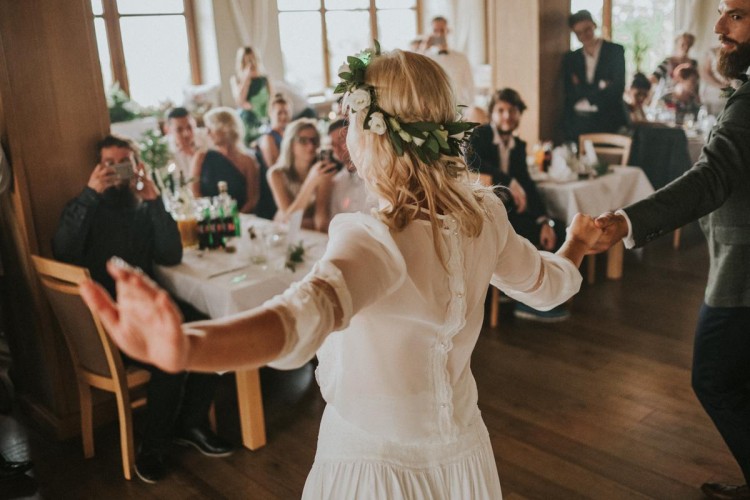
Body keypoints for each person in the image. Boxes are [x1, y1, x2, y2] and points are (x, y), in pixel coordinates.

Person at [80, 46, 602, 499]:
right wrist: (576, 243)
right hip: (462, 458)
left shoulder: (376, 237)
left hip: (375, 470)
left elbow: (299, 319)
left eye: (350, 117)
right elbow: (548, 287)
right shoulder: (485, 215)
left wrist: (189, 348)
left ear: (374, 136)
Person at [592, 2, 750, 498]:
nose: (719, 26)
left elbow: (711, 177)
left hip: (743, 272)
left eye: (736, 15)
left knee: (713, 378)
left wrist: (628, 220)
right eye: (721, 12)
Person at [52, 135, 233, 483]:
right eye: (110, 163)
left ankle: (191, 424)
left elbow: (170, 255)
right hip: (113, 319)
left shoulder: (142, 205)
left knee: (208, 330)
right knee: (167, 358)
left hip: (151, 305)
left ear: (136, 166)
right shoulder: (85, 207)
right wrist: (90, 193)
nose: (118, 170)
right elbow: (63, 251)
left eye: (125, 162)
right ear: (98, 168)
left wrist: (154, 201)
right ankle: (153, 447)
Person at [469, 88, 569, 322]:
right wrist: (509, 181)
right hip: (487, 215)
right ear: (492, 114)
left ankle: (536, 296)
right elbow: (471, 162)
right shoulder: (480, 135)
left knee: (557, 227)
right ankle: (526, 299)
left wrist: (544, 220)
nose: (507, 116)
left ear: (519, 114)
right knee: (526, 232)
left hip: (512, 212)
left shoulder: (519, 145)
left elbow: (528, 185)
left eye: (512, 111)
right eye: (501, 110)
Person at [562, 10, 627, 141]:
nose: (584, 35)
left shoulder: (615, 51)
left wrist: (586, 94)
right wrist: (600, 86)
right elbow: (571, 92)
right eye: (578, 33)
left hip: (610, 119)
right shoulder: (571, 59)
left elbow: (617, 87)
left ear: (594, 25)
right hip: (580, 123)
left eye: (587, 30)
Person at [266, 118, 335, 231]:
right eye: (303, 141)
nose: (310, 146)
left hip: (309, 232)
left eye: (314, 140)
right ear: (291, 144)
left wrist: (292, 221)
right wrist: (311, 182)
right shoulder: (276, 174)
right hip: (284, 233)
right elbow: (289, 218)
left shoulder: (322, 172)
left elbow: (320, 221)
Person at [191, 107, 260, 213]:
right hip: (208, 217)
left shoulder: (248, 161)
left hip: (241, 217)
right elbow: (194, 192)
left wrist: (235, 218)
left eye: (210, 128)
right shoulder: (201, 157)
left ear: (225, 129)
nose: (207, 133)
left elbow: (252, 200)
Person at [324, 119, 376, 230]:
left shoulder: (375, 174)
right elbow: (335, 220)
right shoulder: (337, 181)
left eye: (341, 141)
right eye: (333, 145)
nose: (337, 148)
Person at [420, 16, 476, 109]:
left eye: (442, 30)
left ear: (448, 31)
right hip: (434, 107)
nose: (439, 34)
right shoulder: (426, 58)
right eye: (435, 31)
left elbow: (470, 86)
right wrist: (424, 46)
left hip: (458, 107)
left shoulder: (461, 58)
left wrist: (470, 108)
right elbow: (415, 75)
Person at [229, 46, 272, 146]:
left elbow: (272, 99)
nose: (251, 64)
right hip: (247, 117)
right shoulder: (236, 79)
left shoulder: (265, 79)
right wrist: (246, 79)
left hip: (264, 116)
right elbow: (240, 101)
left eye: (252, 60)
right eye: (247, 61)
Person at [165, 107, 210, 185]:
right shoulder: (163, 150)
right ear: (168, 130)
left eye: (189, 127)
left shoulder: (208, 137)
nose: (186, 134)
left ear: (195, 124)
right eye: (179, 130)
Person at [650, 32, 700, 100]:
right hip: (668, 98)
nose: (686, 47)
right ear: (677, 44)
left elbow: (695, 84)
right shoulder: (668, 61)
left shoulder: (694, 63)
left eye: (689, 44)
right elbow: (654, 77)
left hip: (687, 100)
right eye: (683, 44)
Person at [258, 94, 292, 170]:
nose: (283, 116)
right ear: (270, 113)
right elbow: (275, 169)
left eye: (286, 112)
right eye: (279, 113)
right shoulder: (268, 138)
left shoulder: (288, 134)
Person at [701, 45, 731, 115]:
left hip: (729, 94)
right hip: (714, 92)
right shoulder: (713, 52)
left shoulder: (739, 53)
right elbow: (705, 74)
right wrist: (721, 86)